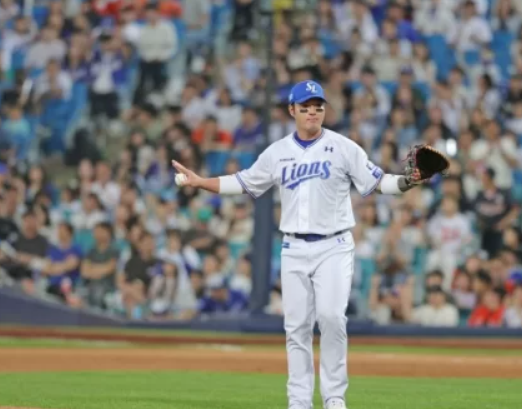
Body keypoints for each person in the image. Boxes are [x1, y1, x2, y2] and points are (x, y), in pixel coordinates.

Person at [172, 80, 434, 409]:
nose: (312, 112)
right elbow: (243, 182)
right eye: (305, 107)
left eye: (318, 106)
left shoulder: (344, 147)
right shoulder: (277, 152)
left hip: (334, 245)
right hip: (294, 247)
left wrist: (408, 181)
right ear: (292, 110)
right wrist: (200, 182)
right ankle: (298, 401)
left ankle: (334, 398)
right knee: (296, 327)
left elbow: (379, 182)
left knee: (332, 318)